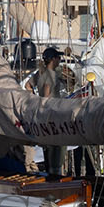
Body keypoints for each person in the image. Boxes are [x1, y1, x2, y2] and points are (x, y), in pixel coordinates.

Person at [32, 47, 65, 176]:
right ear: (53, 59)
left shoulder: (40, 73)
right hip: (52, 115)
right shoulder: (51, 74)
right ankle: (55, 176)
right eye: (58, 58)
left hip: (43, 117)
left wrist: (35, 101)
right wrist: (46, 104)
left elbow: (28, 86)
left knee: (47, 148)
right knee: (57, 148)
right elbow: (47, 90)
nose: (60, 60)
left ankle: (49, 173)